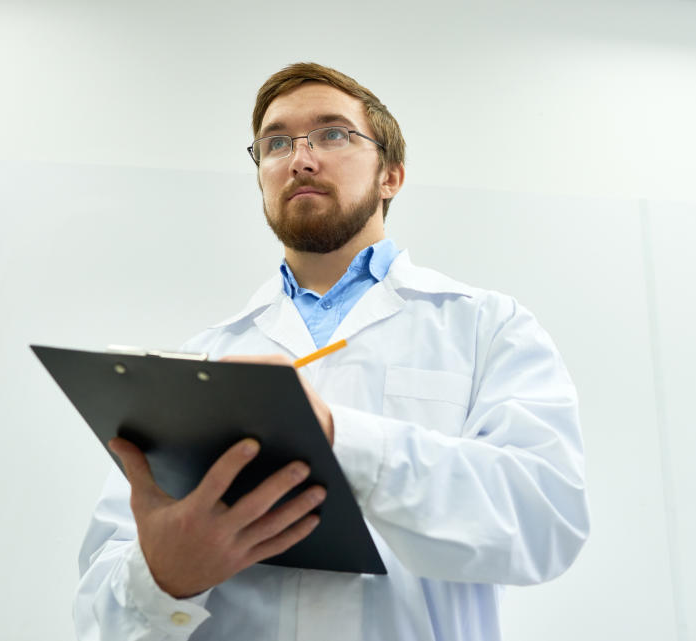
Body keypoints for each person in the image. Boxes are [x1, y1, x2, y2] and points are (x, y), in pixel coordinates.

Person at [74, 62, 589, 641]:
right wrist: (163, 578)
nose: (300, 159)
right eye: (276, 142)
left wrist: (343, 440)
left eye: (333, 133)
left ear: (391, 175)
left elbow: (546, 522)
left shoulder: (487, 327)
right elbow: (98, 612)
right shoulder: (202, 361)